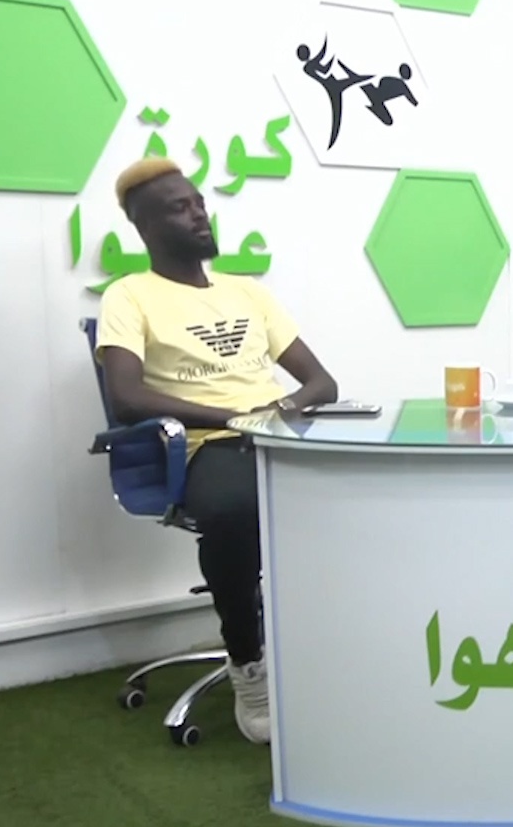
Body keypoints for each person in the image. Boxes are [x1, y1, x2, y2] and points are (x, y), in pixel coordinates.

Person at [94, 156, 340, 744]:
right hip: (208, 445)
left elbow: (321, 382)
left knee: (366, 489)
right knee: (234, 510)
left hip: (279, 434)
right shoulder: (129, 296)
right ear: (145, 226)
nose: (198, 214)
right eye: (179, 208)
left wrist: (280, 410)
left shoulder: (247, 292)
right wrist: (235, 419)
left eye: (199, 203)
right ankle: (248, 664)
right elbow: (126, 397)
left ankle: (339, 648)